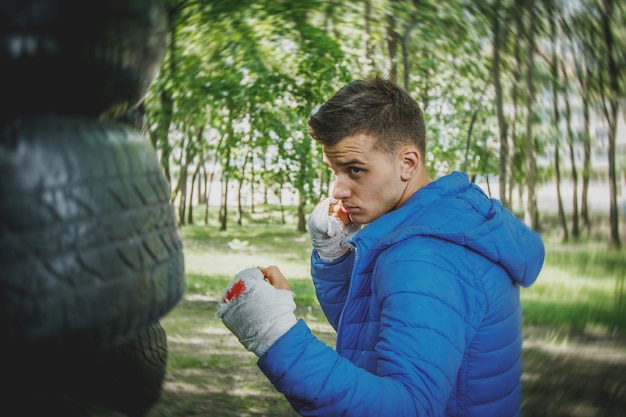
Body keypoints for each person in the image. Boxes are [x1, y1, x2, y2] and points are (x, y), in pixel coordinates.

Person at [217, 75, 545, 417]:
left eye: (355, 170)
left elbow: (407, 408)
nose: (338, 190)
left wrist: (275, 336)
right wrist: (335, 256)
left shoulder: (424, 257)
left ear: (407, 163)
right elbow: (377, 333)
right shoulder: (451, 221)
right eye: (335, 170)